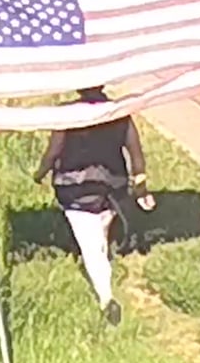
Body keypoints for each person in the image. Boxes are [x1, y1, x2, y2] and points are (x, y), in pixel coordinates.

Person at [32, 85, 155, 326]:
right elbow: (136, 153)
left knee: (90, 245)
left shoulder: (67, 113)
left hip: (75, 187)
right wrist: (140, 182)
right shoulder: (119, 112)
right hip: (111, 187)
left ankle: (105, 297)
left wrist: (40, 173)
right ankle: (103, 259)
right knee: (100, 231)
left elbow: (53, 151)